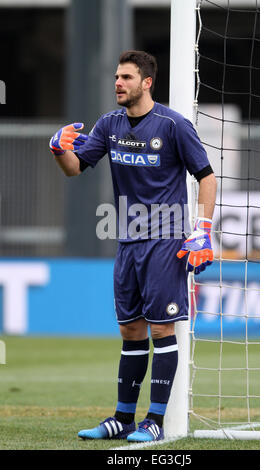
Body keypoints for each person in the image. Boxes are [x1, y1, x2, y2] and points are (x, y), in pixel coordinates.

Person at [49, 50, 217, 442]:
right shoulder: (109, 124)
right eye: (116, 77)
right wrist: (59, 150)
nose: (117, 84)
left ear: (147, 82)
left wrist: (203, 229)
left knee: (162, 327)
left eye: (125, 77)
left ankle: (154, 421)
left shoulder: (174, 125)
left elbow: (206, 177)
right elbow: (75, 168)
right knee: (130, 330)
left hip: (166, 239)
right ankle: (123, 419)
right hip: (127, 240)